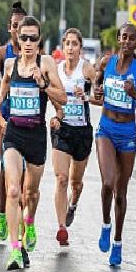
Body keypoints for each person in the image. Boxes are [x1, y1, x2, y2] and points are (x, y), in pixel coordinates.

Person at [0, 16, 67, 270]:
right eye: (23, 37)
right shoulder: (11, 65)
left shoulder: (45, 64)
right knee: (13, 190)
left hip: (36, 138)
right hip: (13, 135)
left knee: (30, 193)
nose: (27, 42)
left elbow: (63, 98)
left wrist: (43, 84)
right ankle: (15, 250)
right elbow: (0, 96)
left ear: (39, 41)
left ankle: (30, 222)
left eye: (32, 38)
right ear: (17, 39)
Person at [93, 23, 136, 266]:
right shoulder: (105, 62)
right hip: (106, 129)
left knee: (121, 193)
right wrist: (97, 90)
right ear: (119, 39)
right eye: (124, 37)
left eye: (132, 39)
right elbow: (96, 86)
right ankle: (105, 224)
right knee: (108, 183)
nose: (128, 42)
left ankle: (118, 242)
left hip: (127, 132)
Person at [50, 28, 96, 246]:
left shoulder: (86, 69)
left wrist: (86, 96)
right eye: (67, 43)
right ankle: (61, 228)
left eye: (74, 44)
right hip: (63, 129)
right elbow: (49, 94)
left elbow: (100, 97)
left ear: (80, 48)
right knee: (61, 179)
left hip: (82, 132)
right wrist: (56, 114)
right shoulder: (56, 70)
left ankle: (73, 204)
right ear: (63, 46)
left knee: (75, 183)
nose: (70, 48)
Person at [0, 1, 26, 242]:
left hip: (28, 120)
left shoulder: (36, 53)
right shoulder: (2, 53)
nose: (18, 30)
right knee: (6, 168)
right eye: (15, 26)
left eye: (22, 26)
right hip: (5, 118)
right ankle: (3, 214)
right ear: (9, 28)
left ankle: (21, 218)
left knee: (23, 175)